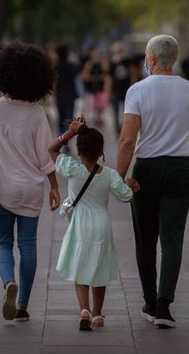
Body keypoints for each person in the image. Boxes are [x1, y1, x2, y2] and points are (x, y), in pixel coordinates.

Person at [116, 34, 189, 329]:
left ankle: (150, 301)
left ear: (151, 59)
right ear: (174, 59)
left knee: (146, 239)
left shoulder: (137, 90)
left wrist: (119, 176)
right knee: (172, 238)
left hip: (147, 170)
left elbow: (128, 140)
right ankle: (165, 306)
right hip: (180, 169)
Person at [0, 41, 61, 322]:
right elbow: (46, 157)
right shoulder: (36, 114)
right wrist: (55, 187)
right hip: (31, 189)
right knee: (29, 246)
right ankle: (22, 305)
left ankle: (9, 282)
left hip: (0, 188)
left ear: (2, 75)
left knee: (1, 243)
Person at [48, 118, 133, 330]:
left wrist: (69, 134)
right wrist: (129, 184)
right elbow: (126, 197)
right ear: (101, 151)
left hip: (80, 223)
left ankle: (84, 309)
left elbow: (51, 150)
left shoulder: (72, 168)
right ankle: (97, 314)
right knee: (99, 267)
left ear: (79, 151)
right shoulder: (110, 175)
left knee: (81, 266)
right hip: (101, 223)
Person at [54, 44, 78, 134]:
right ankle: (68, 133)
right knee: (69, 115)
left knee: (61, 115)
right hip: (70, 93)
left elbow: (54, 81)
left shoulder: (56, 66)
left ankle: (61, 134)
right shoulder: (71, 66)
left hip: (60, 93)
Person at [108, 41, 131, 133]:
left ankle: (123, 125)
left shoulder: (127, 60)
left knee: (126, 109)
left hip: (126, 88)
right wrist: (108, 91)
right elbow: (108, 77)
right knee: (115, 110)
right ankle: (117, 127)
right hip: (115, 89)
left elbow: (132, 72)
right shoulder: (111, 62)